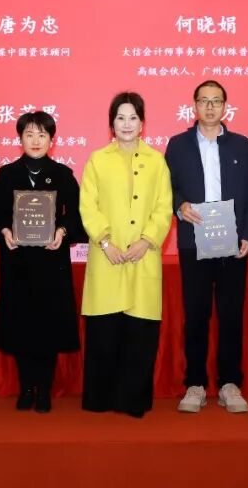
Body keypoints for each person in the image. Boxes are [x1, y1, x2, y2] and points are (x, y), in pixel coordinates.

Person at [165, 80, 248, 413]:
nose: (210, 107)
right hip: (193, 242)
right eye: (204, 101)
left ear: (225, 107)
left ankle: (229, 384)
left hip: (232, 243)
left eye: (216, 101)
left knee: (231, 315)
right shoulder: (178, 145)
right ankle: (194, 384)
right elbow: (167, 187)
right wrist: (179, 205)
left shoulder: (242, 146)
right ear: (194, 106)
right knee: (196, 315)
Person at [79, 92, 173, 418]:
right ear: (112, 123)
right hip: (107, 257)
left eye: (133, 118)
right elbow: (87, 206)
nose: (127, 124)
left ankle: (132, 400)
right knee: (104, 334)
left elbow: (163, 207)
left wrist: (147, 241)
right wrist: (106, 242)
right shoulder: (97, 160)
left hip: (142, 257)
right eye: (121, 118)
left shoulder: (157, 161)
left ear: (142, 123)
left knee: (139, 335)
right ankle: (100, 399)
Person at [0, 111, 86, 414]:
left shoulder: (63, 174)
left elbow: (77, 215)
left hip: (51, 263)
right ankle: (26, 387)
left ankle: (44, 389)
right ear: (20, 138)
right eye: (29, 134)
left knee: (47, 328)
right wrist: (4, 231)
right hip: (17, 262)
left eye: (42, 135)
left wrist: (62, 231)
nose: (36, 140)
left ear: (52, 140)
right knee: (21, 327)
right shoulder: (7, 174)